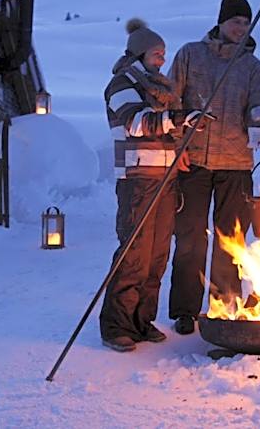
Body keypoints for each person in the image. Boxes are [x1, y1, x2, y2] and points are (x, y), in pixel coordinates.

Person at [99, 18, 208, 352]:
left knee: (158, 255)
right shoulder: (122, 85)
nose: (163, 59)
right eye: (157, 53)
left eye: (164, 53)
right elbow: (137, 123)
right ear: (139, 53)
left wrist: (182, 131)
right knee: (134, 253)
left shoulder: (159, 89)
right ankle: (117, 325)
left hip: (165, 178)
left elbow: (165, 129)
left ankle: (142, 320)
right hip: (137, 179)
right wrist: (178, 118)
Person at [168, 0, 260, 335]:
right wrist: (177, 146)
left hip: (236, 163)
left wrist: (259, 123)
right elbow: (171, 100)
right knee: (190, 237)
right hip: (194, 160)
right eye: (235, 21)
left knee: (231, 238)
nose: (240, 28)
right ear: (221, 22)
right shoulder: (191, 55)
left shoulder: (252, 66)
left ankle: (225, 305)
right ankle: (185, 309)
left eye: (245, 22)